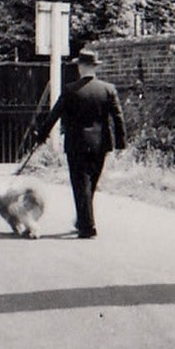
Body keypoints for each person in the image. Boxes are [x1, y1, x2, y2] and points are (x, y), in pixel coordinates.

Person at [31, 50, 126, 239]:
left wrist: (41, 136)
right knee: (91, 183)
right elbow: (118, 117)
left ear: (81, 67)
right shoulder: (108, 89)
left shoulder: (70, 90)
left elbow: (54, 115)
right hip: (101, 144)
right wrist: (121, 144)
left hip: (76, 143)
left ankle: (87, 227)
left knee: (80, 185)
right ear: (95, 67)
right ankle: (84, 219)